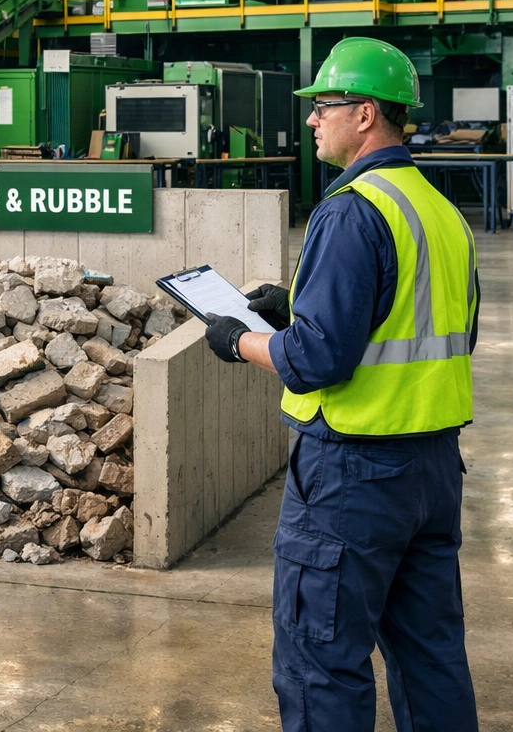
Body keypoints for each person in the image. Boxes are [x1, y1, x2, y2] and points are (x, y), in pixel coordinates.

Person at [202, 37, 481, 732]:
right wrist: (295, 302)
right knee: (430, 653)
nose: (311, 121)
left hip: (353, 470)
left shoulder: (353, 208)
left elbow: (317, 360)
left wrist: (241, 340)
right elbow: (433, 325)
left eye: (322, 107)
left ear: (364, 115)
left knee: (320, 660)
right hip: (432, 466)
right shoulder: (437, 210)